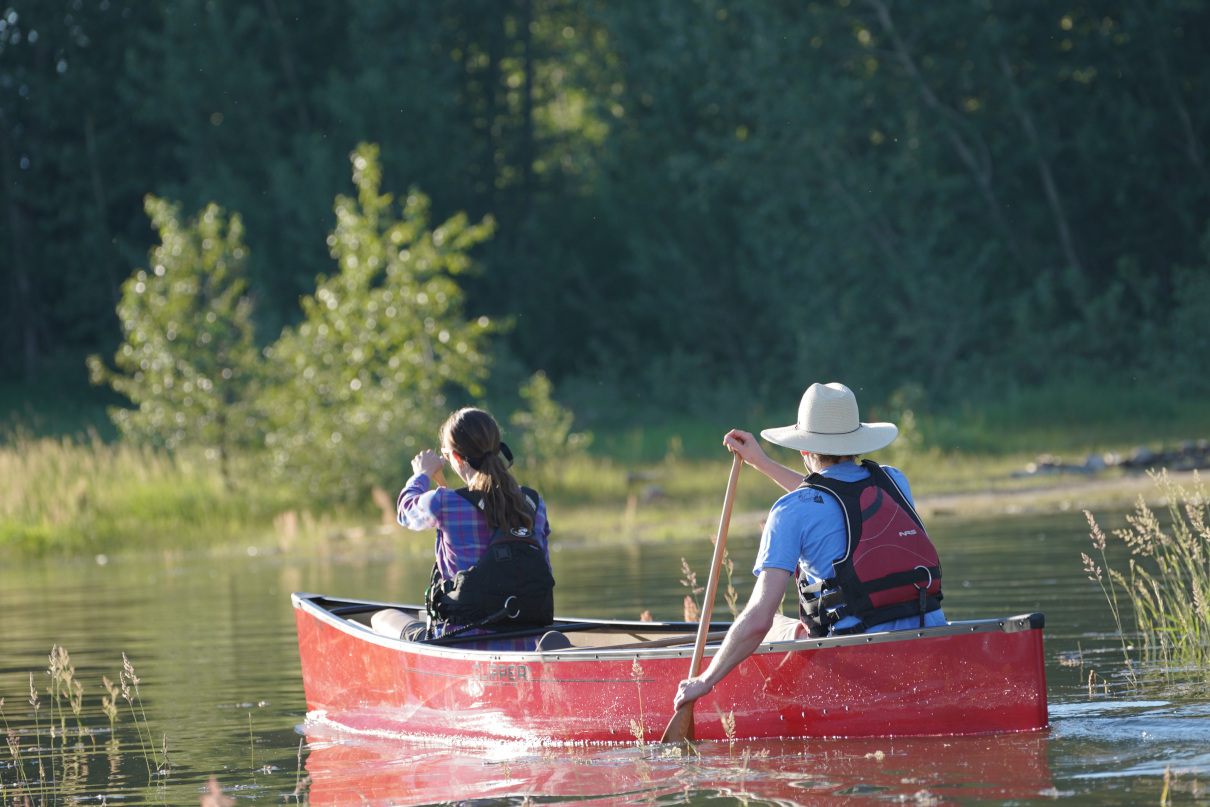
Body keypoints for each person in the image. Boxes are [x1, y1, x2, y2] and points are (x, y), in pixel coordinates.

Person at [673, 382, 946, 712]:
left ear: (804, 451)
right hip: (931, 636)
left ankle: (779, 704)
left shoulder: (791, 510)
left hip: (861, 654)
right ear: (856, 441)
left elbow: (758, 620)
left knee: (772, 623)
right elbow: (836, 497)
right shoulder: (893, 481)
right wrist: (761, 463)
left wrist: (704, 681)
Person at [371, 407, 555, 651]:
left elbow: (406, 512)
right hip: (527, 634)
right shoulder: (532, 502)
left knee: (381, 618)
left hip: (462, 639)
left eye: (447, 456)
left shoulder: (444, 503)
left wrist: (422, 474)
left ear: (456, 459)